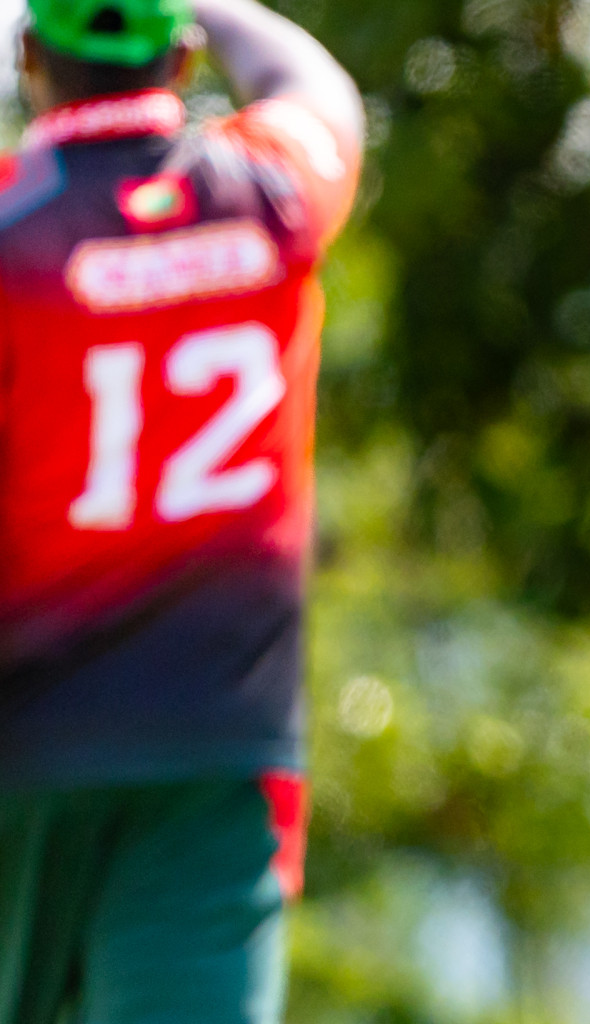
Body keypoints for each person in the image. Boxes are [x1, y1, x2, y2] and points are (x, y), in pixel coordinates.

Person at [0, 0, 362, 1020]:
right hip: (220, 743)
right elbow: (318, 90)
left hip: (24, 746)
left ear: (29, 55)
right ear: (185, 51)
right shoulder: (270, 195)